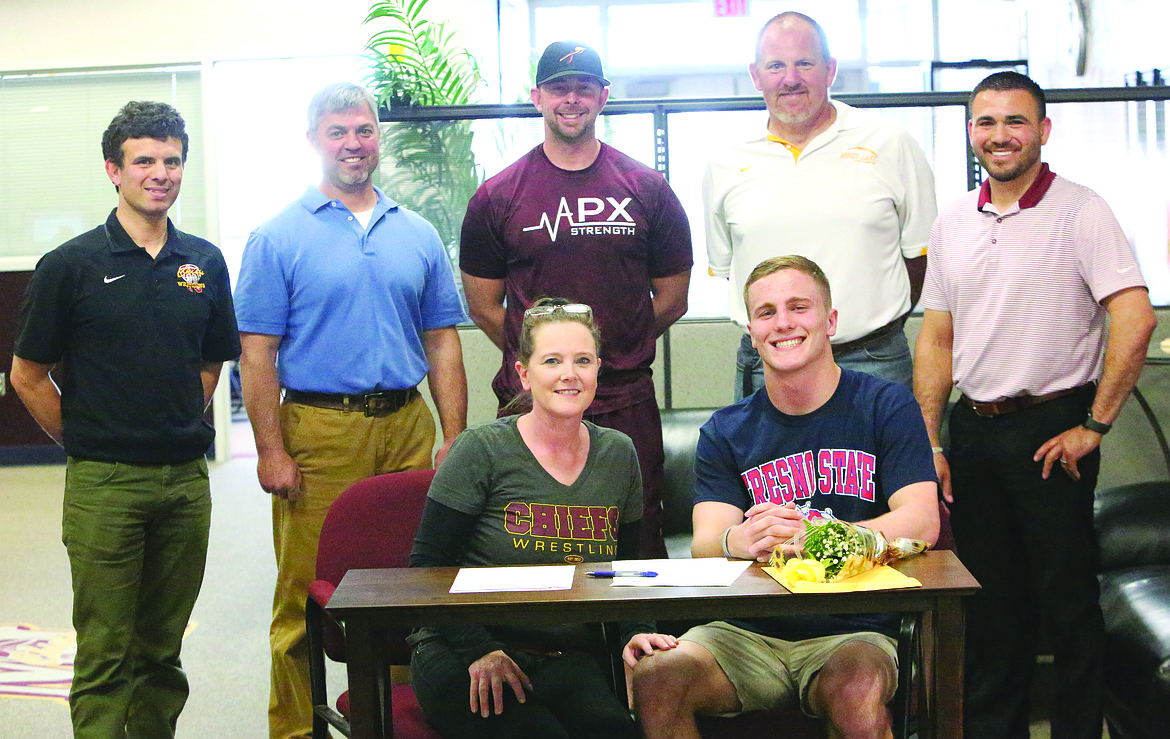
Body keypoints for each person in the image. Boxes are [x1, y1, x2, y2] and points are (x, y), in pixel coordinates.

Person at [913, 71, 1157, 739]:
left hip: (1054, 431)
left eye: (1014, 121)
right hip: (974, 431)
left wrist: (1094, 424)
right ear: (970, 132)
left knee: (1068, 605)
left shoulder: (1082, 210)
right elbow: (937, 335)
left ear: (1043, 131)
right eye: (986, 122)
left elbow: (1134, 318)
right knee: (992, 610)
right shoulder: (954, 220)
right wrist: (930, 441)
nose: (1000, 135)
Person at [234, 81, 469, 739]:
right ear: (314, 140)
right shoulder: (277, 237)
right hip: (319, 429)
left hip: (406, 423)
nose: (353, 144)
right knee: (307, 594)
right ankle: (295, 729)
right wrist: (271, 449)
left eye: (363, 130)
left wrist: (455, 436)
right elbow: (257, 354)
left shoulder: (417, 233)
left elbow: (443, 340)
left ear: (378, 136)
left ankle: (394, 719)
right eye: (338, 131)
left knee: (411, 584)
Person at [631, 256, 939, 739]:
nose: (783, 323)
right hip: (743, 632)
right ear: (752, 331)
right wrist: (741, 537)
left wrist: (823, 537)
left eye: (799, 307)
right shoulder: (726, 430)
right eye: (767, 312)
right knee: (658, 677)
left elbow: (922, 520)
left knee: (856, 689)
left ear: (830, 321)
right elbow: (706, 542)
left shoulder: (886, 406)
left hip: (853, 630)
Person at [10, 101, 240, 738]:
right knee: (107, 653)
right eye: (144, 161)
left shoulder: (204, 263)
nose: (159, 173)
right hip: (106, 485)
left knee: (161, 653)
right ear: (114, 170)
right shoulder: (71, 266)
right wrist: (87, 438)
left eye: (171, 161)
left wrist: (166, 422)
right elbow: (27, 373)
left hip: (186, 484)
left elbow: (209, 363)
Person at [459, 40, 694, 558]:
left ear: (603, 96)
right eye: (559, 88)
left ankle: (644, 639)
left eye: (583, 87)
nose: (571, 99)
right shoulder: (497, 196)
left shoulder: (647, 188)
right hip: (531, 403)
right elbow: (482, 305)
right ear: (537, 97)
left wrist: (617, 345)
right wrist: (545, 362)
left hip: (624, 400)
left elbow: (673, 296)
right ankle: (534, 642)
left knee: (637, 536)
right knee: (529, 537)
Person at [408, 298, 676, 738]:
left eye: (582, 361)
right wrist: (481, 650)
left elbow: (624, 568)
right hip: (464, 649)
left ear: (597, 370)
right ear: (524, 374)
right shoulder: (481, 450)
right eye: (552, 360)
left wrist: (636, 631)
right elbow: (425, 570)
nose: (569, 374)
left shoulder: (618, 453)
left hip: (564, 654)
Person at [705, 12, 937, 398]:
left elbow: (920, 258)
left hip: (873, 362)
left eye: (805, 63)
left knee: (884, 461)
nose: (790, 78)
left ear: (830, 70)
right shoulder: (725, 160)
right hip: (769, 364)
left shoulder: (890, 143)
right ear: (755, 75)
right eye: (776, 65)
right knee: (767, 462)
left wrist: (868, 322)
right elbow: (736, 273)